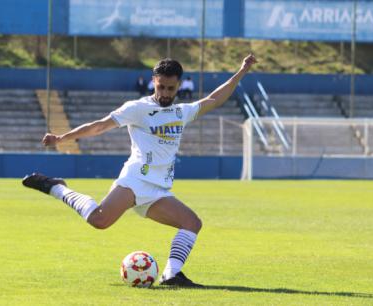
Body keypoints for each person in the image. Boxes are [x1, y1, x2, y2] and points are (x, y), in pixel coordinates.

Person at [22, 54, 257, 287]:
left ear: (179, 85)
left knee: (192, 223)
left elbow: (215, 99)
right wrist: (63, 137)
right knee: (99, 220)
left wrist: (242, 72)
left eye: (170, 88)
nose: (165, 93)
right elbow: (100, 126)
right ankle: (56, 188)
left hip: (159, 189)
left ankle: (171, 275)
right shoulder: (137, 108)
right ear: (153, 81)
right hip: (135, 179)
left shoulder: (181, 112)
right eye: (161, 86)